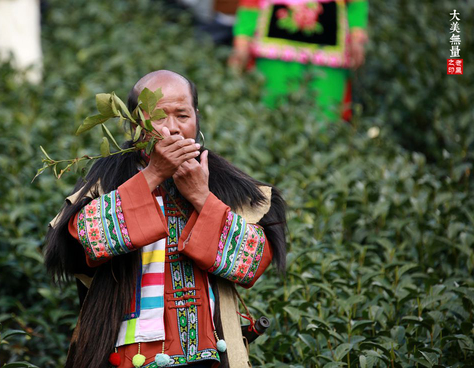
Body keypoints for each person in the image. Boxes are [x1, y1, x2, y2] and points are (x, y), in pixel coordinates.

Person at [45, 70, 287, 368]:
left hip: (210, 356)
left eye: (182, 115)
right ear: (134, 124)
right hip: (124, 355)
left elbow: (251, 261)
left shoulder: (225, 183)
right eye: (159, 117)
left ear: (197, 118)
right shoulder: (108, 180)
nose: (173, 129)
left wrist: (201, 197)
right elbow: (81, 243)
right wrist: (153, 175)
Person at [228, 0, 369, 121]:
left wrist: (357, 37)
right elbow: (250, 4)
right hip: (273, 53)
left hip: (329, 58)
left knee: (327, 117)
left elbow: (356, 3)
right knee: (269, 115)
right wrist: (242, 42)